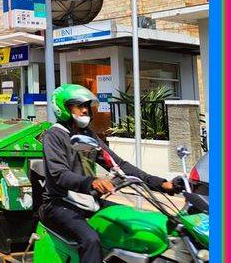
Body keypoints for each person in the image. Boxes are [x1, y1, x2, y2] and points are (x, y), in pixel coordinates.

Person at [39, 84, 179, 263]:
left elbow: (118, 164)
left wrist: (160, 183)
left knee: (131, 222)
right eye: (78, 106)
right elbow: (59, 174)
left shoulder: (89, 135)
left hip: (89, 200)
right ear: (64, 108)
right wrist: (92, 182)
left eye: (87, 106)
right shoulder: (54, 135)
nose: (84, 110)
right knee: (91, 240)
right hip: (59, 204)